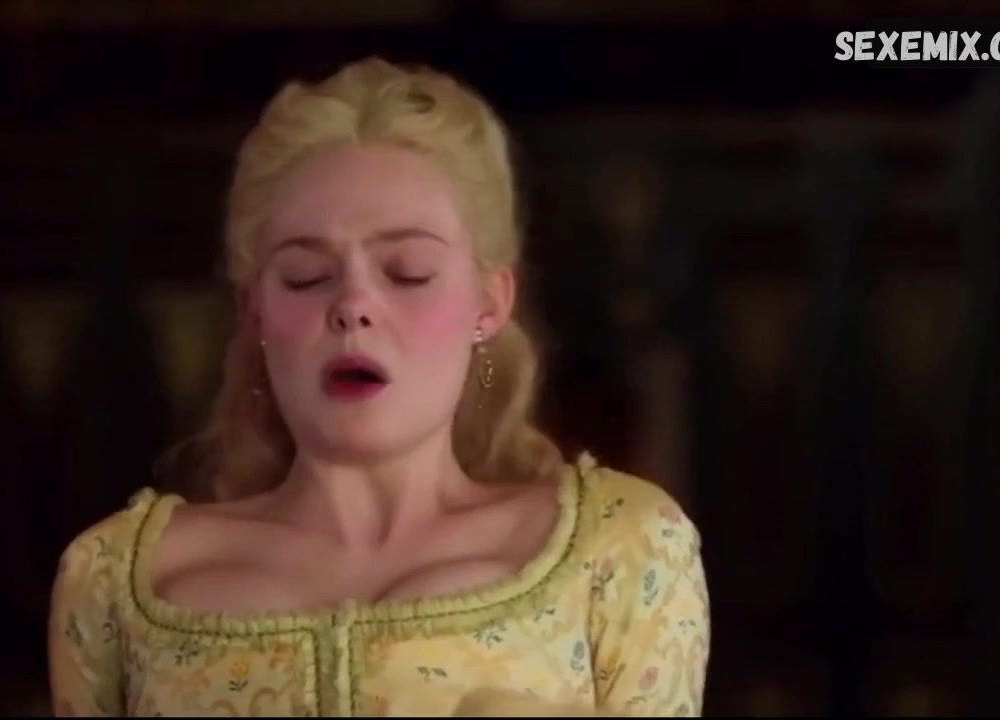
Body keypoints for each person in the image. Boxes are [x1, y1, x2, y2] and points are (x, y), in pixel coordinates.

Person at [47, 56, 710, 717]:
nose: (353, 306)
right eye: (306, 277)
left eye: (408, 271)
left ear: (489, 302)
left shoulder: (620, 552)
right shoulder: (114, 578)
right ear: (255, 312)